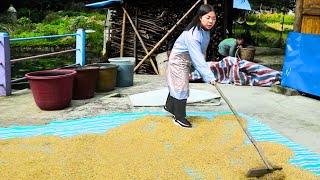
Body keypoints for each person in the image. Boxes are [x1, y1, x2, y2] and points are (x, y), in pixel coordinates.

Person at [164, 4, 217, 128]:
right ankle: (179, 117)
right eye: (208, 17)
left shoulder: (205, 31)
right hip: (178, 61)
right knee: (181, 87)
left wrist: (200, 68)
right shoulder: (193, 34)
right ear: (200, 17)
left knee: (178, 84)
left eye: (213, 18)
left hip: (188, 60)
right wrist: (209, 76)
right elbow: (197, 56)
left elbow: (201, 52)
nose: (211, 21)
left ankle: (169, 106)